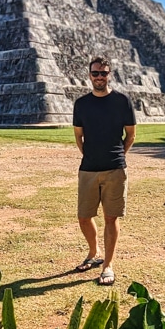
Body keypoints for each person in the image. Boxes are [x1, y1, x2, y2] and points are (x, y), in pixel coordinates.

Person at [72, 56, 136, 286]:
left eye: (104, 73)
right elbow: (79, 137)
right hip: (88, 167)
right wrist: (89, 154)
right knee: (84, 216)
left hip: (115, 168)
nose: (100, 77)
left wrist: (118, 155)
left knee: (111, 217)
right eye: (95, 73)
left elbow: (131, 135)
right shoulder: (81, 104)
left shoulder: (122, 101)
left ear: (110, 74)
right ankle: (93, 252)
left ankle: (108, 265)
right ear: (89, 75)